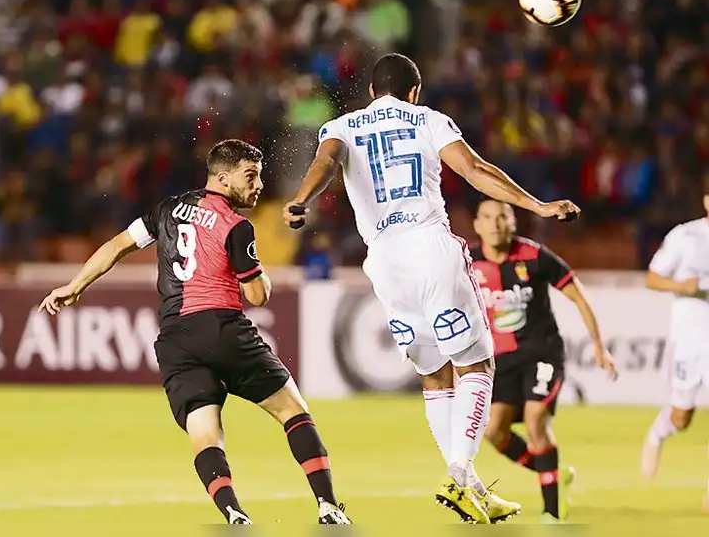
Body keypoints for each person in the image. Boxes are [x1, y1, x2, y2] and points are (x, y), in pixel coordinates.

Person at [283, 52, 580, 524]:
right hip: (429, 247)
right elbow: (475, 171)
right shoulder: (428, 119)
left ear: (371, 94)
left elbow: (325, 162)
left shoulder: (342, 126)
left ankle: (471, 487)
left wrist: (301, 200)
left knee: (436, 376)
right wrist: (537, 206)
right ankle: (459, 474)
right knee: (477, 365)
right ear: (414, 91)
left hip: (383, 262)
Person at [40, 139, 351, 526]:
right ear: (222, 179)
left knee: (205, 433)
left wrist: (75, 284)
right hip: (221, 328)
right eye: (250, 177)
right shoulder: (237, 226)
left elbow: (118, 245)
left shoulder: (166, 209)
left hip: (175, 340)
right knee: (293, 411)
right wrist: (261, 274)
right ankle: (327, 506)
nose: (258, 186)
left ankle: (233, 511)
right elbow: (257, 295)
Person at [472, 198, 617, 523]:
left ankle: (552, 512)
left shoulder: (534, 256)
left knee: (537, 418)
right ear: (477, 225)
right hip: (501, 360)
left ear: (513, 223)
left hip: (542, 352)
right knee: (494, 431)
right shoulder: (469, 264)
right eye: (488, 218)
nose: (495, 224)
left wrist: (598, 345)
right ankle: (552, 470)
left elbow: (577, 294)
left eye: (502, 217)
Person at [640, 171, 709, 512]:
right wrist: (682, 287)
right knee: (683, 417)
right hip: (691, 340)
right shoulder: (686, 236)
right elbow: (653, 277)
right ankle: (657, 434)